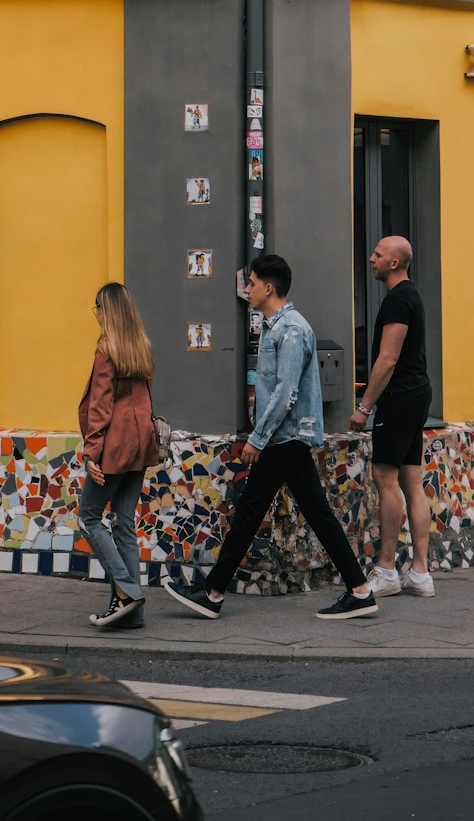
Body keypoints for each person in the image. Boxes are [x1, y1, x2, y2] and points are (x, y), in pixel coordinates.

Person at [164, 253, 377, 622]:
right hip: (286, 437)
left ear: (268, 287)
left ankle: (213, 593)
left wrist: (257, 438)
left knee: (250, 510)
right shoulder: (275, 327)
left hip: (285, 437)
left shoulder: (291, 329)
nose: (246, 289)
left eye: (250, 283)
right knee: (316, 512)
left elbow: (285, 393)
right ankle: (359, 589)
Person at [349, 235, 435, 599]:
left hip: (399, 398)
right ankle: (420, 573)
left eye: (378, 255)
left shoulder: (399, 300)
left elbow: (388, 359)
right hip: (416, 394)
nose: (371, 259)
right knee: (412, 480)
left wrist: (364, 407)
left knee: (385, 478)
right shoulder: (410, 296)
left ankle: (386, 569)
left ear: (395, 263)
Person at [77, 282, 160, 630]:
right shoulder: (140, 347)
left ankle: (127, 592)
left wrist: (91, 452)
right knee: (124, 524)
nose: (94, 312)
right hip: (141, 444)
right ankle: (132, 612)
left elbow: (100, 407)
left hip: (114, 445)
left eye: (96, 306)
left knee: (89, 518)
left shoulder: (106, 348)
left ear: (105, 310)